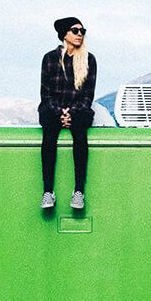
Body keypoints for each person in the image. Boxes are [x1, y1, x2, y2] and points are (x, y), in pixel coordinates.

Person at [38, 16, 96, 210]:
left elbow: (88, 95)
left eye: (82, 31)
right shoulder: (49, 58)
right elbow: (45, 93)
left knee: (80, 135)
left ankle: (78, 191)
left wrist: (71, 113)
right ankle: (48, 191)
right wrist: (59, 112)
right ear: (64, 34)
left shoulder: (89, 59)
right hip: (53, 109)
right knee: (48, 134)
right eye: (75, 30)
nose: (80, 34)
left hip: (78, 110)